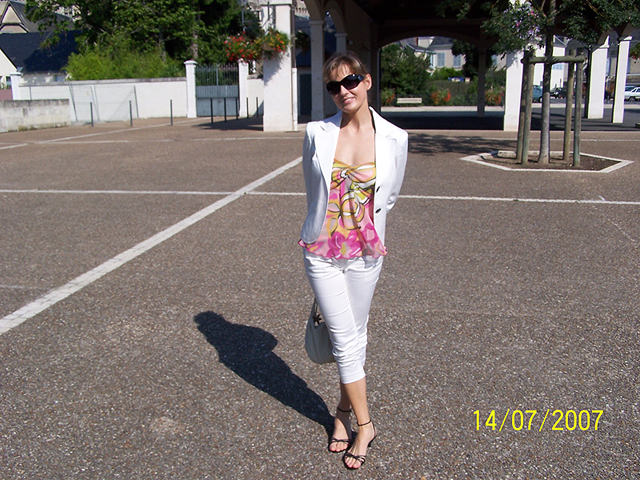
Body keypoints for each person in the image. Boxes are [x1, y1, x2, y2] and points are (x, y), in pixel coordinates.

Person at [299, 51, 408, 470]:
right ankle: (366, 425)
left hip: (366, 254)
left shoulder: (395, 138)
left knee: (355, 339)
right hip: (322, 252)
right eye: (334, 86)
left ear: (366, 82)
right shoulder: (317, 133)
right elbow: (313, 190)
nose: (343, 91)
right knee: (345, 340)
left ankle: (341, 414)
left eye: (350, 81)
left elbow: (389, 196)